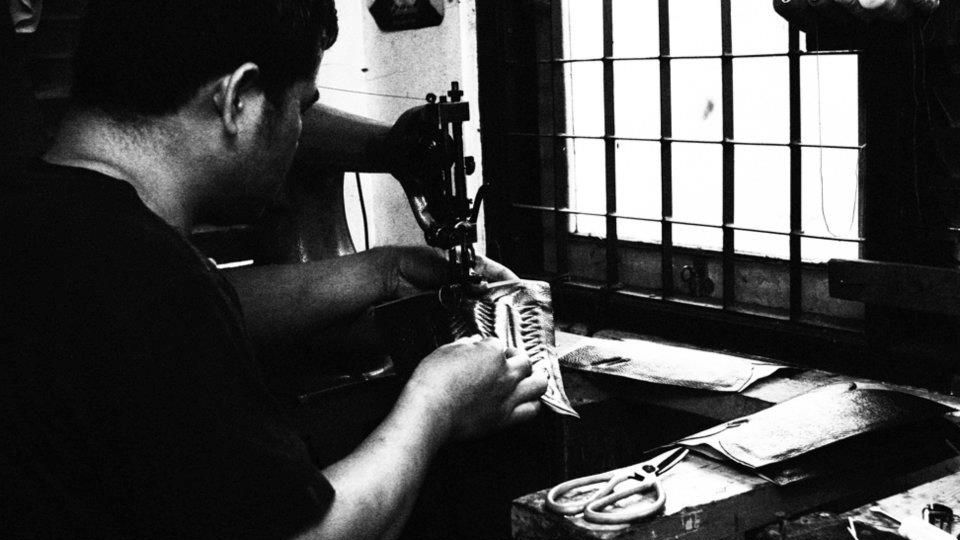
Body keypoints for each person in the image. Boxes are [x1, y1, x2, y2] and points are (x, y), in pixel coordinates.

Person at [0, 1, 548, 539]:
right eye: (302, 108)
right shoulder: (153, 278)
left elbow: (183, 308)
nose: (301, 134)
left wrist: (384, 270)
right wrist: (435, 406)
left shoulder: (44, 222)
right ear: (238, 99)